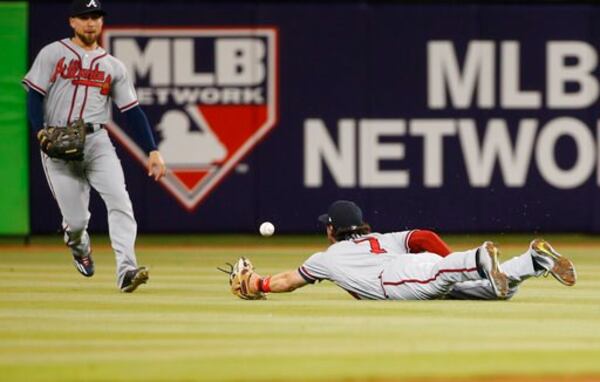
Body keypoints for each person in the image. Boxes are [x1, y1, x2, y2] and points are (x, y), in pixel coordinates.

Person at [22, 0, 167, 292]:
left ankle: (126, 271)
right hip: (57, 143)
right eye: (84, 17)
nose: (91, 22)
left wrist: (152, 149)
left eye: (96, 16)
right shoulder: (53, 53)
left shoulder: (113, 66)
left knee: (120, 201)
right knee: (76, 222)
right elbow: (34, 94)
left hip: (96, 141)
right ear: (72, 22)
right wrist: (39, 131)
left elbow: (132, 110)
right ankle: (79, 246)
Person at [242, 200, 577, 301]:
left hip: (396, 278)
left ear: (332, 229)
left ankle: (479, 257)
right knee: (497, 292)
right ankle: (533, 260)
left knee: (441, 274)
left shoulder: (326, 259)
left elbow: (288, 280)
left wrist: (258, 284)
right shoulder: (383, 238)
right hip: (419, 266)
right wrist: (448, 261)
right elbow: (423, 236)